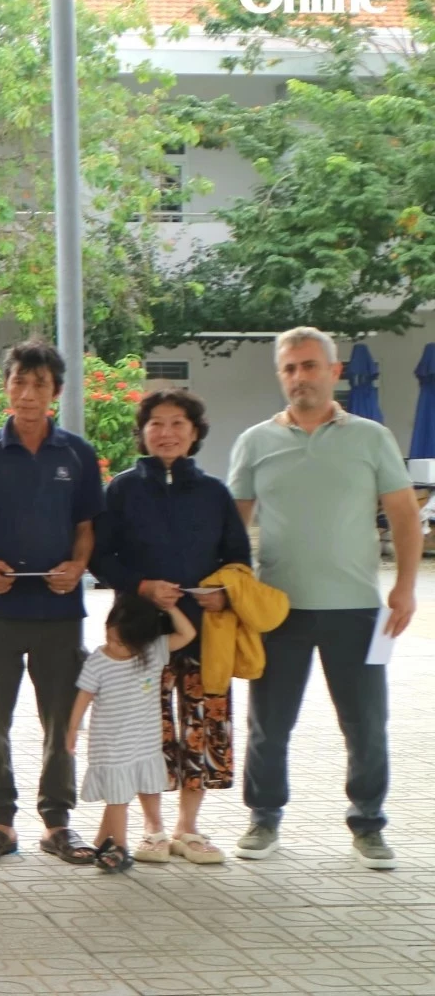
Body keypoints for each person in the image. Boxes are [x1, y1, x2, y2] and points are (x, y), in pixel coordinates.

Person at [229, 327, 419, 870]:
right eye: (289, 368)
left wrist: (405, 588)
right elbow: (232, 525)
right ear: (280, 376)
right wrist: (232, 593)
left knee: (366, 725)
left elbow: (404, 514)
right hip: (278, 609)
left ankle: (369, 823)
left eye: (310, 366)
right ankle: (264, 817)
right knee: (269, 725)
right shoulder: (255, 442)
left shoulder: (371, 438)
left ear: (334, 372)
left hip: (358, 610)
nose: (300, 377)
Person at [90, 388, 251, 865]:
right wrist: (141, 586)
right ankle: (152, 827)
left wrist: (223, 593)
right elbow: (100, 557)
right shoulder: (122, 490)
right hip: (137, 631)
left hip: (204, 630)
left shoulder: (214, 492)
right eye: (156, 423)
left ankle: (188, 827)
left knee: (200, 723)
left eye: (178, 423)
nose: (167, 433)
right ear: (142, 432)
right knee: (145, 728)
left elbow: (238, 558)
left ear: (195, 432)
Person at [0, 341, 105, 867]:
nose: (27, 393)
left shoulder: (77, 454)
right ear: (6, 387)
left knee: (61, 721)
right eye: (18, 381)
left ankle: (57, 822)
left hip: (59, 613)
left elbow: (86, 527)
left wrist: (78, 566)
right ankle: (0, 821)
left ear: (56, 392)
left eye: (39, 384)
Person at [66, 593, 198, 873]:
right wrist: (73, 728)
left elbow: (187, 634)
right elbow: (84, 696)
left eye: (122, 643)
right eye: (110, 638)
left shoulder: (153, 652)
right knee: (117, 798)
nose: (113, 646)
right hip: (110, 744)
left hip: (144, 742)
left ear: (142, 641)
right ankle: (120, 847)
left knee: (133, 791)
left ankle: (103, 840)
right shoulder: (99, 661)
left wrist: (170, 607)